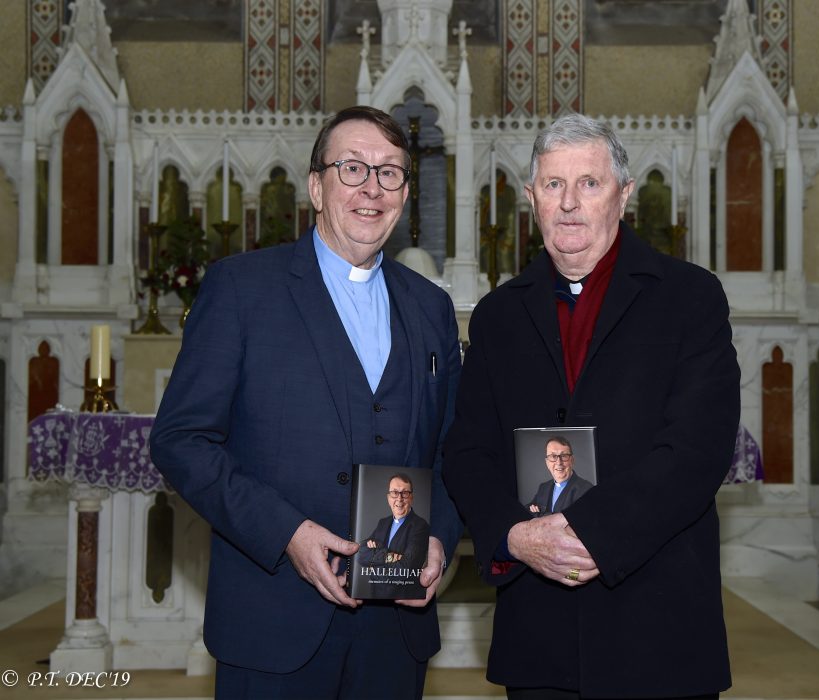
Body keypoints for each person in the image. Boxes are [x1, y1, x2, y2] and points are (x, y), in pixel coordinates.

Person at [150, 105, 463, 700]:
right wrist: (287, 533)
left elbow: (452, 449)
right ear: (316, 187)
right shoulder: (242, 289)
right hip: (273, 623)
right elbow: (180, 439)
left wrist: (440, 540)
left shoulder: (431, 308)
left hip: (395, 634)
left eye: (390, 172)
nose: (372, 188)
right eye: (352, 169)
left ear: (404, 194)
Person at [443, 113, 740, 699]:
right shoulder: (499, 316)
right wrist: (512, 536)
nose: (570, 203)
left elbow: (695, 450)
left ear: (623, 195)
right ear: (531, 199)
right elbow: (468, 449)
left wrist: (589, 535)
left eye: (590, 183)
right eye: (554, 185)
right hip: (538, 635)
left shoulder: (688, 298)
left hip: (656, 628)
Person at [361, 474, 430, 567]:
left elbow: (406, 565)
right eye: (394, 492)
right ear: (388, 498)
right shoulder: (383, 523)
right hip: (374, 582)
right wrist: (388, 556)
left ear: (411, 498)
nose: (399, 498)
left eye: (405, 493)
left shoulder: (420, 526)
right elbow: (360, 553)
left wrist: (375, 554)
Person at [527, 436, 593, 516]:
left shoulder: (586, 490)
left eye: (564, 456)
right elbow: (527, 510)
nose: (559, 462)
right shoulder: (543, 487)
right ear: (547, 463)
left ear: (572, 460)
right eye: (553, 456)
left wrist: (539, 514)